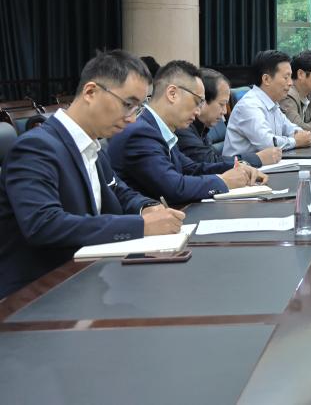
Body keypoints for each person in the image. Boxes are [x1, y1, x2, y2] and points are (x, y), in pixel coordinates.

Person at [0, 50, 184, 298]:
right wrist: (141, 225)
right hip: (36, 293)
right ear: (90, 92)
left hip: (86, 276)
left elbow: (118, 191)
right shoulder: (36, 147)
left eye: (138, 108)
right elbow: (44, 225)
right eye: (127, 104)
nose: (131, 118)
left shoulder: (92, 144)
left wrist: (148, 208)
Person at [107, 60, 265, 204]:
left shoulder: (158, 128)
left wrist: (238, 167)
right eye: (198, 102)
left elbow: (192, 169)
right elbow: (174, 188)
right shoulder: (141, 133)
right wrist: (223, 181)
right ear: (172, 94)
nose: (198, 111)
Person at [176, 68, 282, 168]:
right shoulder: (183, 128)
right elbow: (209, 163)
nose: (225, 112)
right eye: (221, 104)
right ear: (203, 101)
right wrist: (258, 158)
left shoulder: (202, 129)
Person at [223, 50, 311, 157]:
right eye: (286, 77)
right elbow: (267, 143)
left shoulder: (272, 104)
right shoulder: (249, 105)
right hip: (240, 166)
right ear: (266, 79)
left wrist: (301, 135)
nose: (290, 83)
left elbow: (291, 128)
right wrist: (295, 141)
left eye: (290, 77)